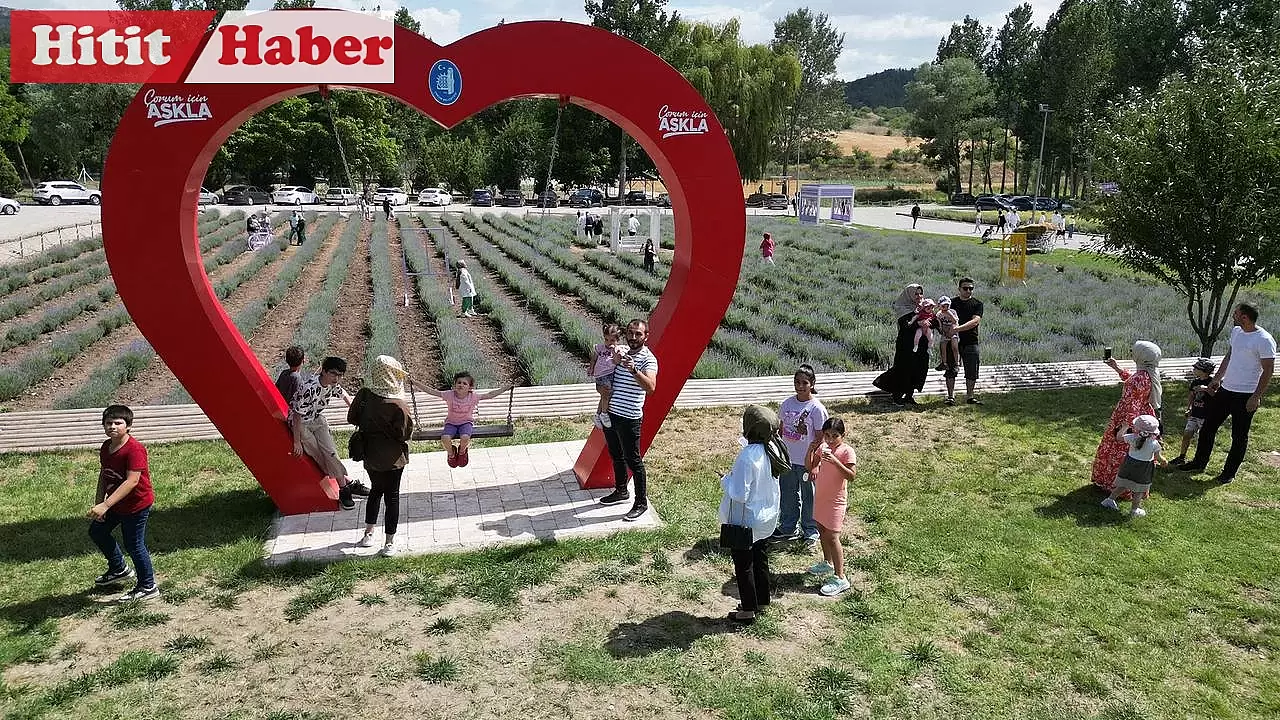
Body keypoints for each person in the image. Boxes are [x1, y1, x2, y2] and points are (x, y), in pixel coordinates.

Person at [1180, 303, 1275, 483]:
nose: (1233, 316)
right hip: (1226, 390)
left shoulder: (1263, 339)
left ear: (1245, 317)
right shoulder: (1237, 333)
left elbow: (1268, 370)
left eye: (1236, 314)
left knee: (1239, 436)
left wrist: (1256, 397)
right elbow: (1230, 356)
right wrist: (1216, 379)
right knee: (1208, 427)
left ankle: (1229, 473)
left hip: (1246, 395)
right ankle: (1199, 462)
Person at [720, 405, 789, 625]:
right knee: (760, 557)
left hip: (746, 520)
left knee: (743, 563)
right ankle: (762, 599)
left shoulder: (748, 456)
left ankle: (748, 609)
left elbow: (740, 494)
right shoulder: (774, 447)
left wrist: (726, 479)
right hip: (767, 516)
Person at [88, 405, 159, 602]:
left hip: (136, 505)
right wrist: (99, 503)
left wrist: (106, 505)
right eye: (108, 423)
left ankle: (148, 585)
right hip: (115, 503)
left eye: (118, 423)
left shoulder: (135, 449)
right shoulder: (106, 447)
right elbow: (104, 475)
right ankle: (119, 568)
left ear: (128, 426)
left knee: (134, 544)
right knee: (97, 531)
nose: (112, 426)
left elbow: (132, 481)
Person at [348, 356, 414, 556]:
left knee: (376, 491)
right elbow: (405, 434)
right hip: (394, 458)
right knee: (392, 497)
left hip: (370, 454)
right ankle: (389, 543)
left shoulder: (364, 395)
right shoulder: (398, 405)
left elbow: (352, 418)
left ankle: (368, 534)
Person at [597, 319, 658, 522]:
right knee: (615, 454)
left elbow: (650, 388)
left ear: (646, 336)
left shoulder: (648, 359)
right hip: (612, 413)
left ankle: (641, 502)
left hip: (630, 417)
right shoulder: (620, 351)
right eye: (630, 333)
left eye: (638, 334)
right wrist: (600, 387)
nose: (633, 338)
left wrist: (634, 370)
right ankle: (621, 490)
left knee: (634, 460)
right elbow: (603, 366)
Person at [289, 356, 366, 509]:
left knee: (330, 453)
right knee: (319, 455)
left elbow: (343, 393)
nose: (336, 378)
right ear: (323, 371)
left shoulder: (332, 384)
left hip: (317, 419)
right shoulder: (309, 388)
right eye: (333, 373)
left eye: (340, 375)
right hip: (301, 423)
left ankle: (345, 488)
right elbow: (297, 415)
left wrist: (354, 410)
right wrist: (296, 441)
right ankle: (347, 485)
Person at [1090, 341, 1163, 491]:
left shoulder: (1138, 379)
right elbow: (1133, 381)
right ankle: (1134, 486)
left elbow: (1132, 402)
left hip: (1129, 417)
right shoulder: (1148, 373)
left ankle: (1113, 485)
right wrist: (1116, 368)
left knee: (1119, 448)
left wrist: (1125, 426)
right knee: (1139, 449)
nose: (1132, 352)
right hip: (1143, 415)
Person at [769, 364, 827, 548]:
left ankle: (810, 530)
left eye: (804, 382)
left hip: (806, 461)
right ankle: (788, 527)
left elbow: (820, 438)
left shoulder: (817, 409)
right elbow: (781, 429)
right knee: (788, 493)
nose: (800, 386)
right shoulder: (787, 404)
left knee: (809, 495)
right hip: (787, 459)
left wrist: (815, 463)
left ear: (812, 384)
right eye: (797, 382)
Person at [805, 417, 857, 597]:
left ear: (843, 435)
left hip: (836, 500)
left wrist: (835, 461)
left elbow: (851, 476)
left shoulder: (846, 451)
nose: (830, 439)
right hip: (821, 497)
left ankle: (840, 577)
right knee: (821, 529)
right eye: (827, 435)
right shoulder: (823, 447)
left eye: (834, 436)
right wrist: (811, 451)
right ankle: (827, 563)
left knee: (833, 536)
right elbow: (811, 466)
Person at [418, 372, 513, 468]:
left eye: (464, 383)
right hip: (451, 423)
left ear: (470, 388)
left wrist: (506, 388)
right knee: (445, 438)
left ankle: (462, 452)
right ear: (454, 385)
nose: (461, 385)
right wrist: (416, 383)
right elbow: (432, 392)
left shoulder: (473, 397)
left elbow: (490, 394)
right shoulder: (449, 395)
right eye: (459, 382)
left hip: (466, 423)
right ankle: (451, 454)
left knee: (465, 437)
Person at [872, 284, 930, 406]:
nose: (919, 296)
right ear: (909, 294)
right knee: (904, 368)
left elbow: (932, 319)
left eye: (920, 293)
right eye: (916, 293)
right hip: (906, 344)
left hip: (921, 344)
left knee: (918, 368)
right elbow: (905, 325)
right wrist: (919, 320)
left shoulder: (924, 306)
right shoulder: (903, 307)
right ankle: (897, 395)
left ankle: (909, 395)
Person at [1101, 415, 1166, 518]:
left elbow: (1119, 438)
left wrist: (1124, 427)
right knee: (1139, 490)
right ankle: (1134, 510)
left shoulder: (1132, 437)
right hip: (1143, 469)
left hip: (1128, 465)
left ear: (1137, 428)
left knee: (1123, 484)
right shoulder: (1155, 444)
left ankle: (1109, 500)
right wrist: (1164, 461)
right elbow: (1158, 457)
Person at [945, 278, 984, 406]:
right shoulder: (951, 303)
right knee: (951, 368)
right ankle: (950, 396)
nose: (968, 291)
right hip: (952, 340)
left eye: (971, 288)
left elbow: (975, 321)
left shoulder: (977, 304)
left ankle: (970, 396)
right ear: (959, 289)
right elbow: (941, 315)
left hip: (970, 340)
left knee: (972, 369)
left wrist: (958, 329)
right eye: (965, 288)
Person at [1170, 358, 1216, 466]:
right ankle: (1182, 457)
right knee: (1187, 434)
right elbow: (1191, 395)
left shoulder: (1213, 382)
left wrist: (1205, 389)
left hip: (1206, 415)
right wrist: (1189, 408)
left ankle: (1200, 460)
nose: (1193, 369)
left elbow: (1216, 395)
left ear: (1204, 370)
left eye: (1196, 368)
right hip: (1194, 414)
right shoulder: (1195, 382)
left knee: (1203, 439)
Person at [590, 323, 625, 429]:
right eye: (606, 340)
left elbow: (617, 361)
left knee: (605, 395)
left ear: (617, 341)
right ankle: (604, 413)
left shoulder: (617, 350)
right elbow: (594, 358)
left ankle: (598, 414)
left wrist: (615, 352)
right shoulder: (600, 348)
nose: (609, 343)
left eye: (612, 341)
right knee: (607, 395)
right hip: (601, 375)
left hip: (609, 374)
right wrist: (591, 367)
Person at [934, 296, 960, 372]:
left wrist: (949, 314)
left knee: (954, 347)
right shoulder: (939, 314)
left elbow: (955, 321)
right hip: (945, 332)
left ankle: (957, 363)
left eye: (947, 305)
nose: (945, 307)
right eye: (943, 306)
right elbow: (939, 323)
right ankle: (944, 363)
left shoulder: (953, 311)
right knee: (943, 346)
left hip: (953, 331)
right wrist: (941, 330)